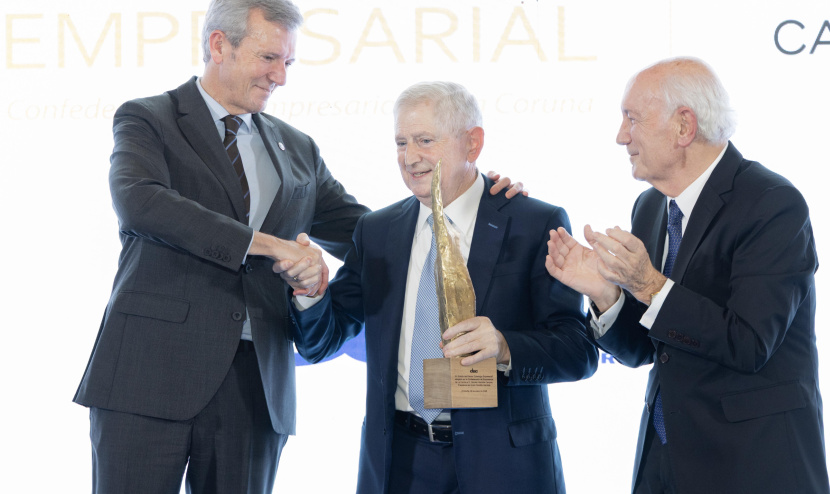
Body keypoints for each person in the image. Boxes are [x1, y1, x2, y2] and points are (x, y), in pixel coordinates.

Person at [72, 1, 521, 492]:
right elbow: (142, 203)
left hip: (255, 389)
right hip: (149, 376)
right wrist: (267, 246)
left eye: (288, 62)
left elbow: (374, 237)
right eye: (269, 58)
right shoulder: (149, 118)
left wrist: (470, 197)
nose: (280, 76)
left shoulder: (298, 148)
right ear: (219, 45)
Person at [289, 81, 598, 494]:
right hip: (399, 463)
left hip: (503, 466)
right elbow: (321, 342)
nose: (410, 157)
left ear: (472, 144)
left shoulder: (532, 222)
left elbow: (578, 351)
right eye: (400, 142)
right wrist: (310, 294)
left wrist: (506, 346)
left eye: (424, 140)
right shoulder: (377, 231)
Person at [545, 57, 829, 494]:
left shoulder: (772, 204)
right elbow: (647, 349)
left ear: (683, 126)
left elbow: (750, 343)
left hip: (751, 467)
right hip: (664, 465)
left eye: (632, 119)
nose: (621, 136)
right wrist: (606, 295)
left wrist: (648, 285)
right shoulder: (651, 206)